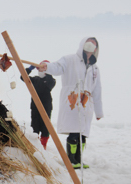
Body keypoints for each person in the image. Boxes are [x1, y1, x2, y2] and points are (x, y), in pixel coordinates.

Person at [38, 37, 104, 169]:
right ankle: (71, 160)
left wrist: (99, 111)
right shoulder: (69, 60)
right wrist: (47, 67)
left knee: (83, 134)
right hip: (72, 100)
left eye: (94, 44)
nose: (91, 46)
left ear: (96, 49)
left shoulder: (95, 68)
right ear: (83, 44)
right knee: (74, 132)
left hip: (86, 103)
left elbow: (97, 90)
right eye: (89, 42)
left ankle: (79, 159)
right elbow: (58, 67)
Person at [20, 61, 56, 150]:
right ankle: (35, 145)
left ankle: (43, 145)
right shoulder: (35, 80)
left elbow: (50, 84)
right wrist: (29, 69)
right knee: (34, 126)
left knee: (45, 126)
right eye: (40, 67)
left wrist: (47, 70)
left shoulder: (51, 80)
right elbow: (23, 77)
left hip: (46, 106)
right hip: (35, 106)